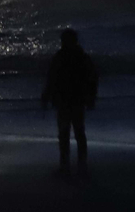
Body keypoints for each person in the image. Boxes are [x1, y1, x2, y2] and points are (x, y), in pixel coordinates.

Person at [41, 27, 98, 176]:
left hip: (67, 100)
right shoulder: (81, 57)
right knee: (76, 133)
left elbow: (52, 78)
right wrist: (91, 97)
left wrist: (46, 96)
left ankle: (68, 165)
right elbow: (92, 79)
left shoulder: (62, 57)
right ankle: (78, 165)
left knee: (67, 133)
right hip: (74, 100)